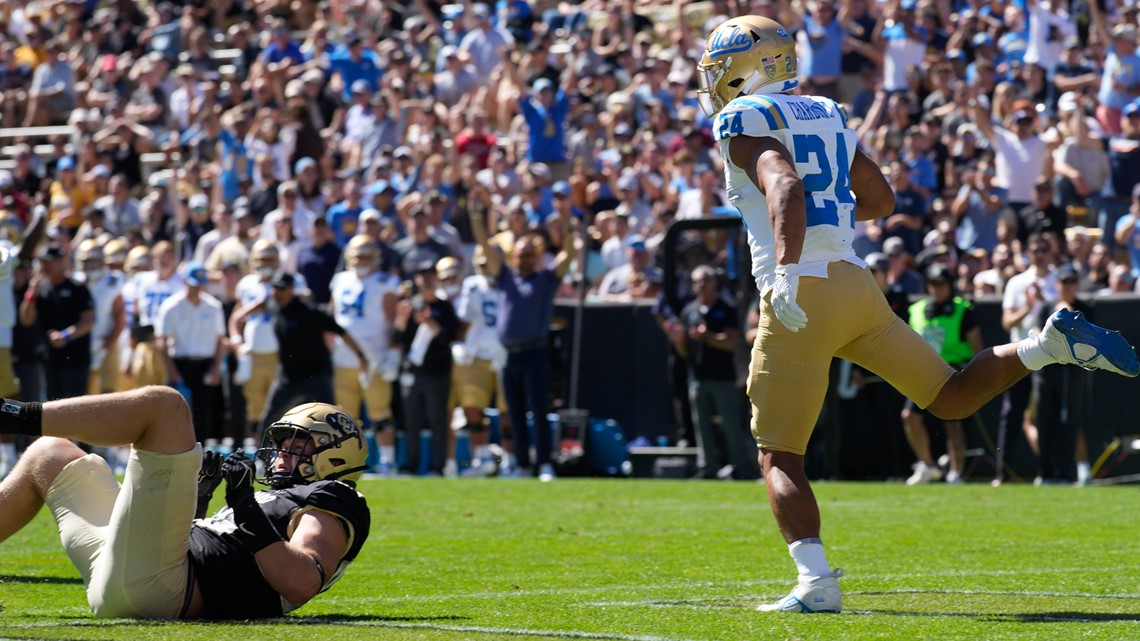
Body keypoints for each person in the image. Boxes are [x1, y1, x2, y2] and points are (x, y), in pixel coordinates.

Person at [697, 15, 1138, 614]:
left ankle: (816, 584)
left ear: (749, 66)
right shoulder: (825, 111)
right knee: (951, 397)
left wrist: (789, 272)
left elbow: (786, 189)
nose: (717, 78)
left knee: (779, 453)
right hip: (856, 285)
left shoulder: (741, 119)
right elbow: (879, 198)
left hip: (804, 290)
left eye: (722, 66)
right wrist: (828, 225)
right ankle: (1047, 346)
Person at [0, 388, 370, 619]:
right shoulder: (281, 496)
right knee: (49, 455)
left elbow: (301, 580)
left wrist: (245, 506)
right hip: (141, 575)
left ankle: (10, 414)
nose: (283, 453)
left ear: (336, 455)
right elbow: (220, 551)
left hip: (162, 588)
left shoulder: (336, 497)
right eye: (283, 442)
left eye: (299, 444)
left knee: (166, 407)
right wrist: (201, 499)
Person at [469, 203, 577, 481]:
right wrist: (477, 216)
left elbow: (569, 254)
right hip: (509, 355)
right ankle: (521, 463)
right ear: (513, 256)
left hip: (535, 352)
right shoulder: (505, 275)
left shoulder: (545, 279)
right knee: (514, 413)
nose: (525, 259)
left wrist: (566, 226)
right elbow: (483, 244)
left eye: (529, 254)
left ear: (536, 256)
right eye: (521, 254)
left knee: (539, 410)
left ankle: (543, 463)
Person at [232, 273, 369, 430]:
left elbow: (340, 331)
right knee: (268, 422)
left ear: (291, 291)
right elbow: (239, 315)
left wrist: (361, 356)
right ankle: (264, 455)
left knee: (327, 423)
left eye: (283, 290)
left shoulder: (308, 312)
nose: (278, 293)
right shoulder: (272, 305)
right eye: (275, 289)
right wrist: (238, 335)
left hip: (316, 376)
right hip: (287, 377)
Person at [663, 265, 754, 480]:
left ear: (714, 282)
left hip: (723, 378)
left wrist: (708, 336)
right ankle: (709, 468)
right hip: (697, 377)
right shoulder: (689, 312)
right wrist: (677, 341)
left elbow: (731, 342)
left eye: (705, 279)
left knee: (731, 425)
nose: (701, 284)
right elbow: (685, 351)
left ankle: (742, 468)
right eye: (697, 281)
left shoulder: (725, 308)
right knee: (701, 427)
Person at [902, 265, 984, 485]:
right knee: (909, 416)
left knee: (952, 421)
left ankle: (956, 472)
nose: (936, 289)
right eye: (933, 284)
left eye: (941, 284)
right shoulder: (916, 309)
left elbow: (977, 346)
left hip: (952, 369)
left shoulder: (962, 309)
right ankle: (928, 465)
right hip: (923, 370)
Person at [329, 236, 400, 474]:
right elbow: (332, 316)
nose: (362, 260)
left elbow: (394, 320)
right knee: (344, 417)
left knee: (380, 412)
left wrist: (392, 350)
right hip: (343, 357)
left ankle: (388, 460)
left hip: (374, 358)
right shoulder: (340, 280)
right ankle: (347, 462)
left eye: (367, 256)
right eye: (358, 255)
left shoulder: (385, 281)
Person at [393, 261, 459, 476]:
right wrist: (401, 319)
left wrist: (430, 322)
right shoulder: (410, 305)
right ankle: (410, 466)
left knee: (438, 421)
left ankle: (436, 467)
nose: (427, 280)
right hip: (412, 373)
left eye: (431, 275)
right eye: (423, 276)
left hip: (437, 374)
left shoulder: (445, 307)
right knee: (411, 423)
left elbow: (449, 338)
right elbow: (398, 339)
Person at [155, 262, 227, 443]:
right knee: (178, 413)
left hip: (205, 364)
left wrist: (216, 368)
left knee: (203, 415)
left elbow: (220, 340)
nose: (197, 288)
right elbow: (162, 340)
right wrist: (172, 371)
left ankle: (200, 459)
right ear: (185, 281)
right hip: (180, 364)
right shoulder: (171, 306)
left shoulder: (213, 306)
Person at [19, 244, 95, 400]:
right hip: (49, 359)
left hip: (76, 360)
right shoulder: (40, 289)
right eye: (43, 262)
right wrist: (31, 293)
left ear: (61, 262)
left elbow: (88, 320)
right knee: (51, 408)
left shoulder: (77, 288)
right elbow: (26, 319)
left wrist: (66, 335)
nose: (45, 266)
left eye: (50, 261)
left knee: (76, 407)